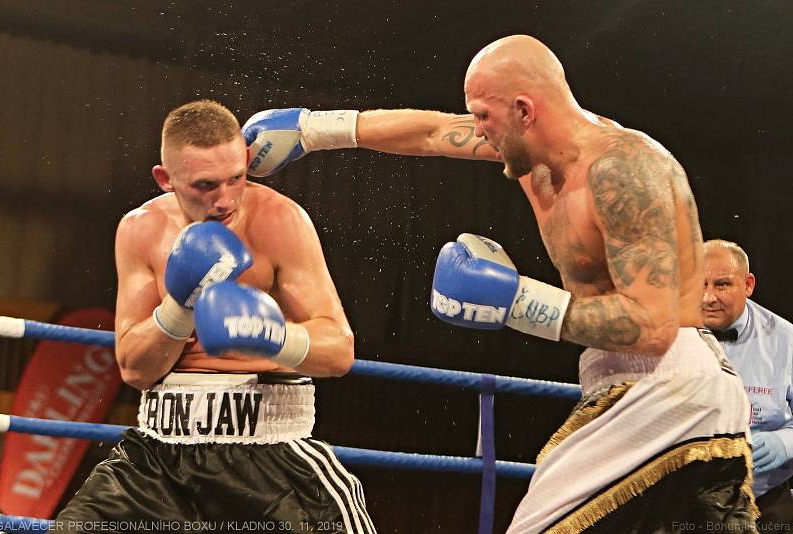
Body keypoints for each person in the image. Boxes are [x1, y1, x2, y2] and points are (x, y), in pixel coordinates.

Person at [243, 35, 757, 532]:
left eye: (485, 117)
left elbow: (655, 327)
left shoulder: (621, 173)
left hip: (667, 388)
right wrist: (316, 130)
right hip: (657, 389)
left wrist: (518, 302)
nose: (477, 129)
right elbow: (429, 131)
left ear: (525, 110)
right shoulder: (535, 154)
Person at [54, 100, 376, 534]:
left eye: (236, 178)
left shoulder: (280, 220)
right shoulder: (140, 229)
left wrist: (274, 337)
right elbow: (134, 368)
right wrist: (181, 305)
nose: (225, 200)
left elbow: (339, 351)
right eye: (205, 185)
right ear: (165, 180)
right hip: (159, 455)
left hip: (269, 455)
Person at [702, 239, 793, 531]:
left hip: (765, 502)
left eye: (722, 284)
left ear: (748, 285)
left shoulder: (786, 341)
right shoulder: (668, 337)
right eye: (700, 284)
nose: (708, 297)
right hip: (684, 497)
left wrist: (784, 443)